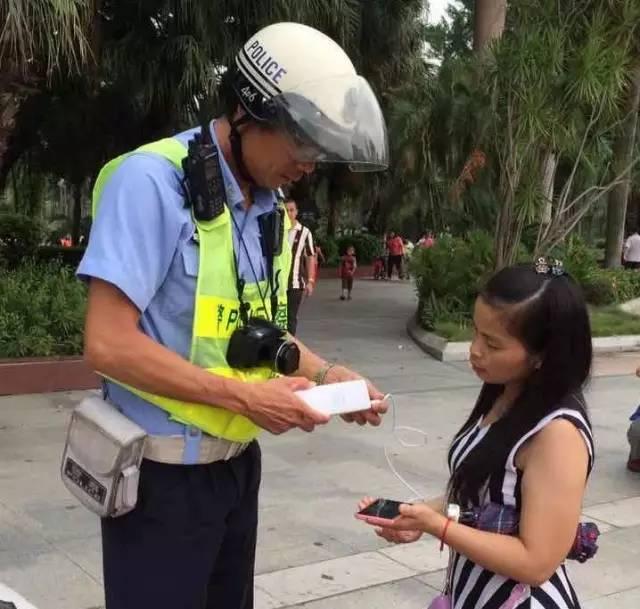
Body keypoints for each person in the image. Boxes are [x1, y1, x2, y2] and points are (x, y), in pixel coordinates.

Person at [77, 22, 389, 609]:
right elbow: (107, 344)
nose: (309, 163)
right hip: (160, 479)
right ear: (249, 113)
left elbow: (255, 330)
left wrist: (328, 377)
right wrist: (245, 398)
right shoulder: (151, 181)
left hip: (235, 472)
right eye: (303, 143)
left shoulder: (267, 205)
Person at [359, 260, 594, 609]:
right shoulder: (506, 391)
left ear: (542, 355)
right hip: (474, 593)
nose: (475, 350)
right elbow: (484, 496)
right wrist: (418, 515)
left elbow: (536, 562)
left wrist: (439, 526)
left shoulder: (558, 435)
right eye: (475, 332)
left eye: (493, 344)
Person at [285, 197, 316, 335]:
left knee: (290, 318)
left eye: (291, 210)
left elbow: (310, 257)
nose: (289, 214)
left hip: (295, 284)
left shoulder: (304, 232)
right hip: (277, 284)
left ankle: (289, 349)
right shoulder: (276, 229)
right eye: (285, 211)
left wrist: (310, 281)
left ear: (296, 212)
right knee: (276, 318)